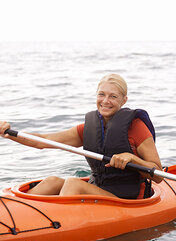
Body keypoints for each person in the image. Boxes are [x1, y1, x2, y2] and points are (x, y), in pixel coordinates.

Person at [0, 74, 162, 199]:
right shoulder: (88, 129)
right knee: (52, 181)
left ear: (124, 100)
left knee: (73, 184)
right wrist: (8, 133)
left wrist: (133, 159)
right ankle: (17, 214)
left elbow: (159, 176)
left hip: (126, 198)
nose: (105, 101)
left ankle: (56, 225)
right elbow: (42, 141)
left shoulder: (137, 128)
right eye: (101, 95)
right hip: (99, 188)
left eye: (113, 96)